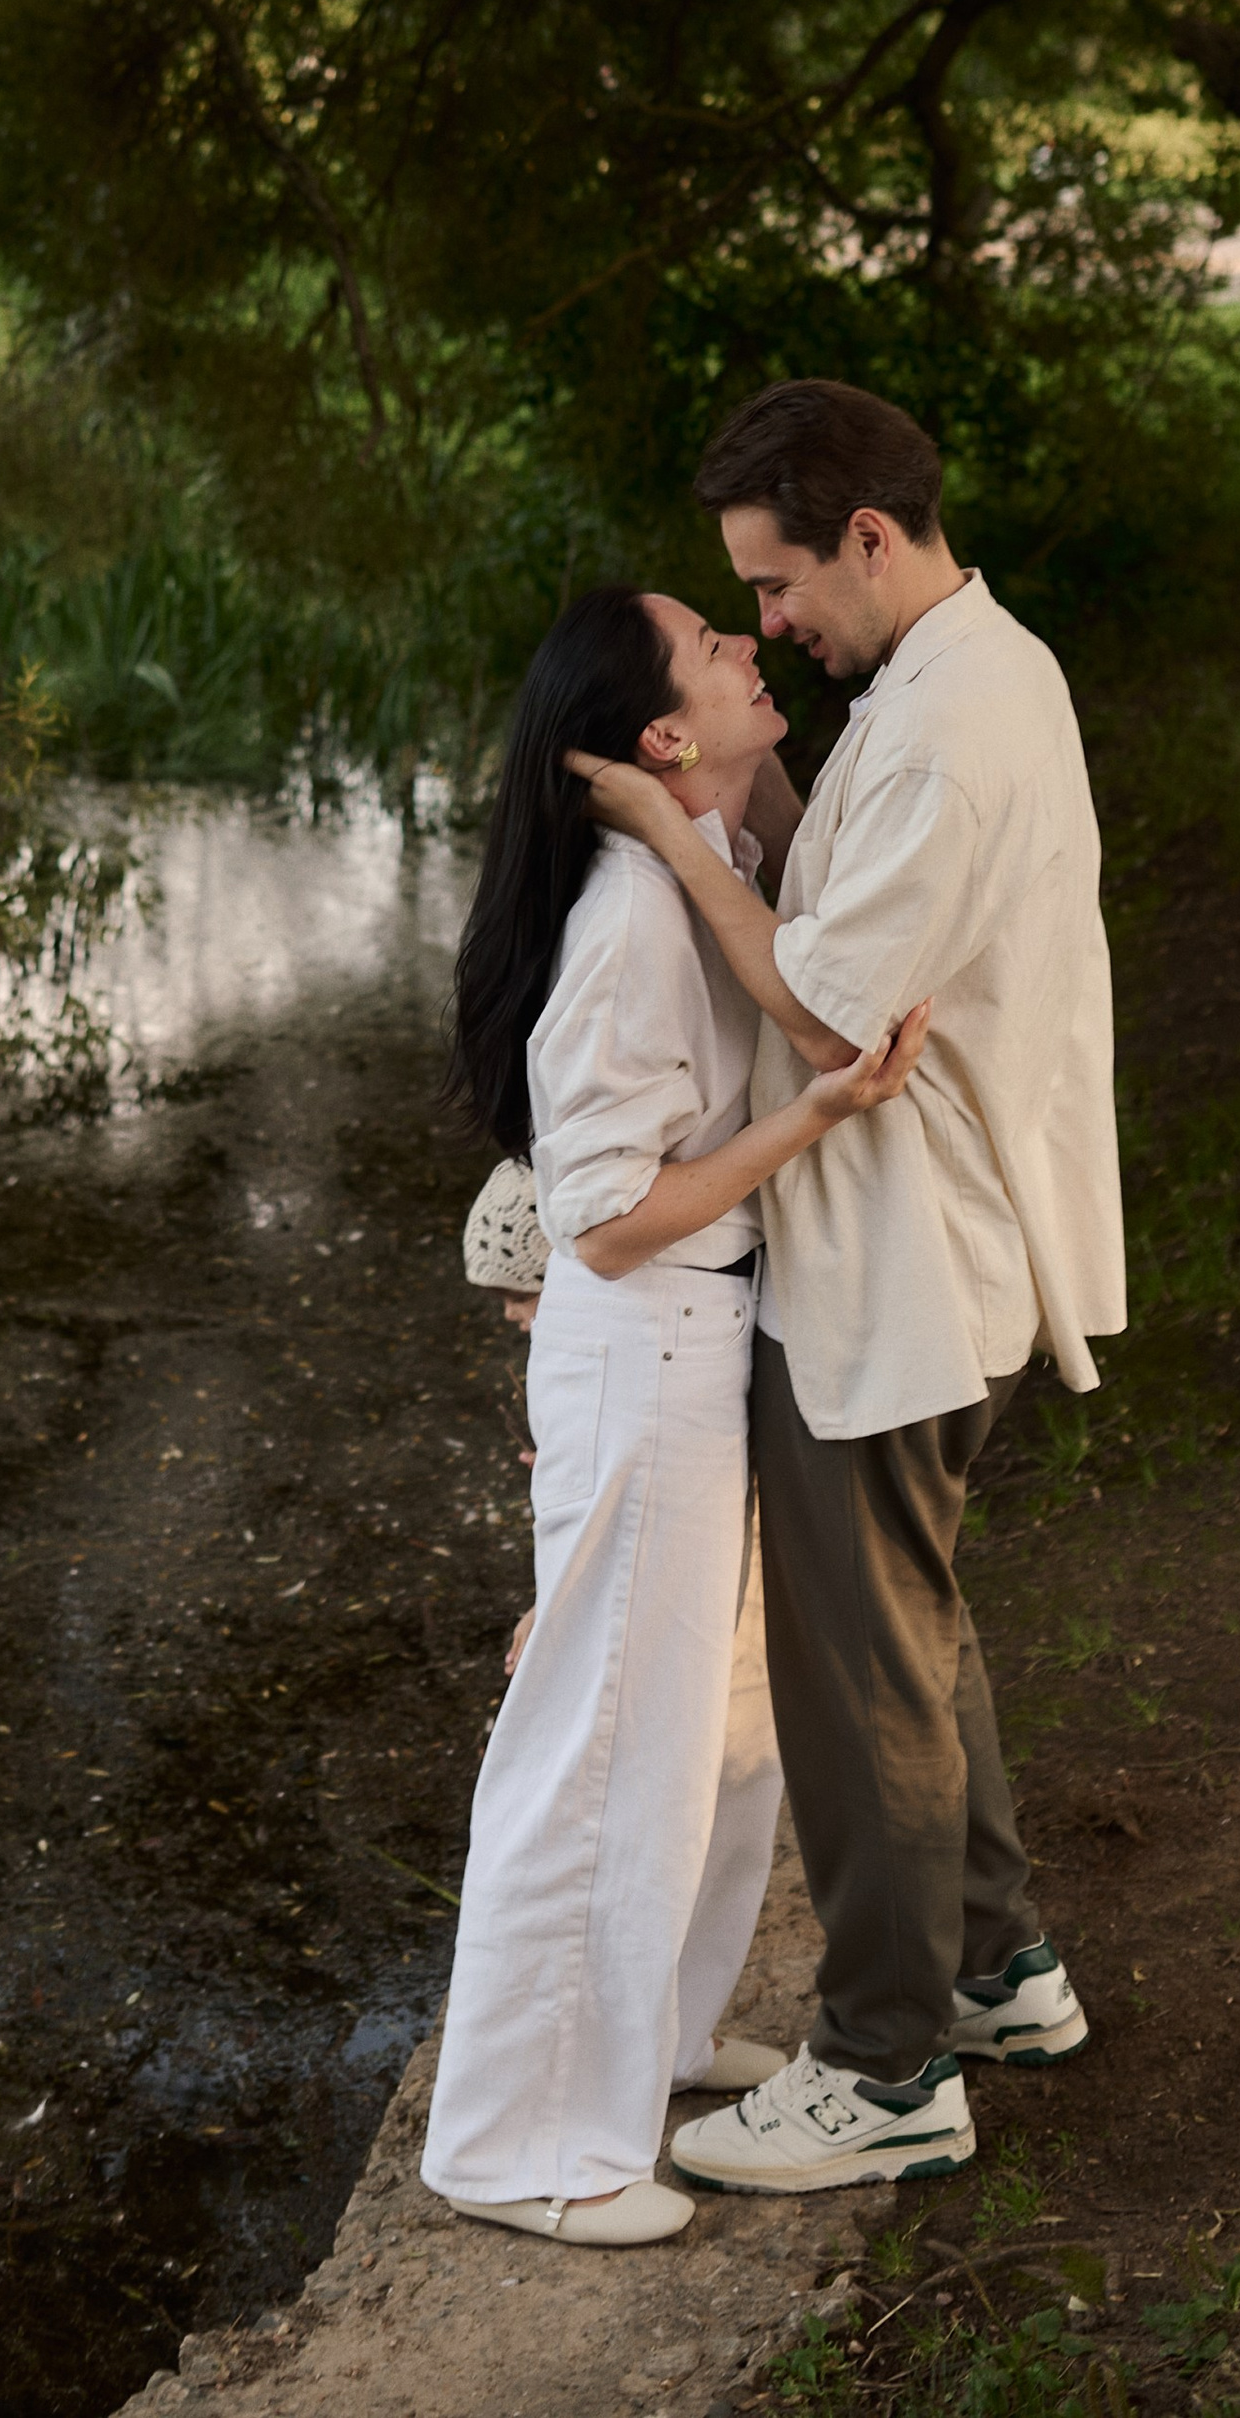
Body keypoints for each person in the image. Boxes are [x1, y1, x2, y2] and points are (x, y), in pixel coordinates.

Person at [568, 379, 1124, 2198]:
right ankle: (1003, 1969)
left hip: (898, 1261)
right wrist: (738, 784)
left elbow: (817, 1005)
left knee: (855, 1669)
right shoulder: (948, 679)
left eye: (781, 583)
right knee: (915, 1623)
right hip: (927, 1248)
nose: (772, 622)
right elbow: (833, 883)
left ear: (867, 537)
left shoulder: (960, 723)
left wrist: (663, 835)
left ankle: (883, 2064)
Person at [421, 581, 928, 2248]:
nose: (750, 644)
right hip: (646, 1338)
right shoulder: (635, 918)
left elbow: (772, 843)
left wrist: (677, 789)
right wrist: (831, 1110)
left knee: (723, 1728)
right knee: (603, 1742)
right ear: (655, 730)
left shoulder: (702, 871)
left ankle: (661, 2030)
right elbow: (608, 1217)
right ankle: (517, 2143)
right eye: (719, 644)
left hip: (703, 1343)